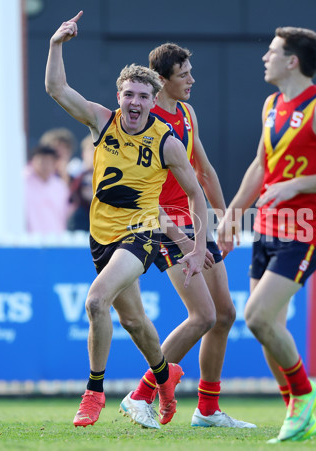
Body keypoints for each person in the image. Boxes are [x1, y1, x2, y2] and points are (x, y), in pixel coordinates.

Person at [45, 11, 208, 428]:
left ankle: (94, 392)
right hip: (100, 236)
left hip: (140, 235)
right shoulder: (102, 121)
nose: (134, 103)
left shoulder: (166, 143)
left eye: (143, 96)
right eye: (128, 94)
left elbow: (196, 193)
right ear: (119, 96)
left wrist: (197, 246)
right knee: (134, 321)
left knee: (96, 300)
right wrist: (56, 44)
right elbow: (56, 87)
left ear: (154, 102)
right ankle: (164, 374)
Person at [217, 27, 316, 443]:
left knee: (257, 317)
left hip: (304, 232)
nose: (266, 57)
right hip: (266, 229)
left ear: (292, 60)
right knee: (268, 329)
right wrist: (231, 216)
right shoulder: (271, 104)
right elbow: (261, 167)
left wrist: (298, 184)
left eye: (273, 51)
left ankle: (304, 393)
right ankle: (297, 415)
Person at [119, 42, 255, 430]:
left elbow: (205, 171)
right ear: (161, 82)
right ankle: (140, 394)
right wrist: (181, 237)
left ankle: (208, 411)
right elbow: (142, 196)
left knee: (225, 315)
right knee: (203, 316)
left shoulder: (186, 112)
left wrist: (227, 220)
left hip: (195, 223)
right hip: (164, 227)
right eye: (184, 75)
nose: (192, 80)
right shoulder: (144, 124)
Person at [24, 144, 70, 234]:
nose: (45, 166)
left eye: (49, 162)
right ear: (33, 161)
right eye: (42, 161)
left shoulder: (60, 186)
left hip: (56, 239)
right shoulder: (24, 183)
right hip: (30, 239)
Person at [67, 134, 94, 231]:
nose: (95, 153)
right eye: (91, 149)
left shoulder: (113, 178)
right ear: (83, 153)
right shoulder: (71, 174)